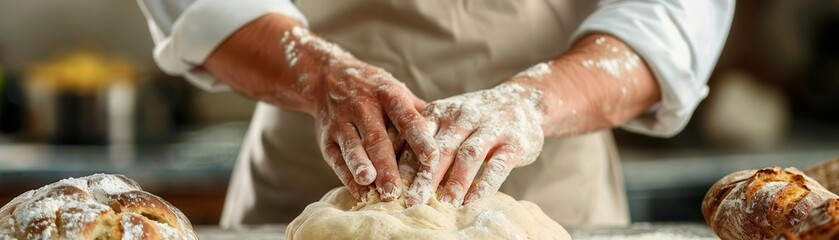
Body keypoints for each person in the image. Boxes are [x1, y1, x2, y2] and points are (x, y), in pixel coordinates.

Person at [137, 0, 734, 227]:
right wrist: (322, 75)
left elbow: (673, 20)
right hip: (302, 175)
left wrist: (530, 102)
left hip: (554, 187)